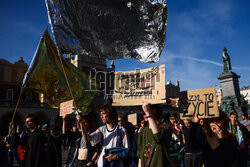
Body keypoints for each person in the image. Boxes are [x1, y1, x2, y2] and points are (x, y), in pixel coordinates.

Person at [137, 102, 172, 167]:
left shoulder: (166, 128)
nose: (144, 113)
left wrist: (148, 114)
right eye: (143, 110)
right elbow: (140, 156)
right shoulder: (143, 131)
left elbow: (158, 137)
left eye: (147, 109)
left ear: (155, 110)